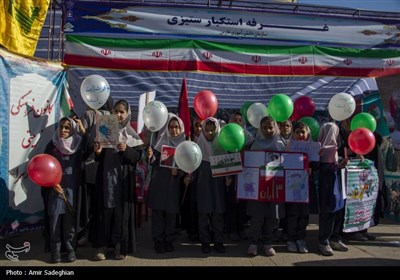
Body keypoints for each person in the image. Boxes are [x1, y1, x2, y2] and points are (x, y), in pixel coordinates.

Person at [91, 99, 142, 261]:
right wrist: (98, 152)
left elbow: (137, 157)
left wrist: (126, 149)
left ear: (128, 115)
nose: (118, 115)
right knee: (104, 213)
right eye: (116, 111)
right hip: (106, 180)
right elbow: (98, 158)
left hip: (122, 182)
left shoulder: (131, 134)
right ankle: (103, 246)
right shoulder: (105, 129)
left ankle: (119, 245)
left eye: (122, 112)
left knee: (120, 214)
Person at [42, 117, 88, 263]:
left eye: (67, 128)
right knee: (55, 220)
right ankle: (55, 251)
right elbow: (44, 166)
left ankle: (70, 249)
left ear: (73, 129)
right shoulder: (52, 145)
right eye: (61, 127)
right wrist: (51, 183)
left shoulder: (78, 144)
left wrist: (84, 132)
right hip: (56, 189)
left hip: (73, 189)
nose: (63, 130)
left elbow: (91, 149)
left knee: (70, 222)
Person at [146, 113, 186, 253]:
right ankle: (158, 240)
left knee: (171, 213)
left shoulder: (185, 145)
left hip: (173, 185)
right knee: (158, 212)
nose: (174, 130)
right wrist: (150, 156)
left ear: (181, 128)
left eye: (176, 127)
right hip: (159, 182)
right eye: (171, 127)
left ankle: (169, 240)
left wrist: (179, 172)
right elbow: (152, 163)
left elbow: (188, 166)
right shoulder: (161, 143)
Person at [247, 116, 285, 257]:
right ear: (260, 129)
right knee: (257, 216)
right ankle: (254, 242)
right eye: (265, 128)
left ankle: (267, 243)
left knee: (272, 216)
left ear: (275, 127)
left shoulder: (281, 144)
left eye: (271, 127)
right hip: (258, 187)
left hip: (275, 187)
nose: (268, 130)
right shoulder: (255, 145)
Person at [79, 96, 114, 245]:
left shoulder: (88, 115)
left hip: (89, 166)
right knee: (99, 205)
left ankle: (85, 234)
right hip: (104, 168)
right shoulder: (111, 119)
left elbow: (83, 140)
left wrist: (83, 131)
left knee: (87, 204)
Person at [191, 117, 227, 253]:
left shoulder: (223, 147)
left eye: (213, 130)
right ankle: (205, 241)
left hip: (218, 185)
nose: (210, 133)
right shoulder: (197, 148)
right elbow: (192, 166)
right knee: (204, 212)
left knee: (218, 212)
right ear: (203, 131)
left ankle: (218, 240)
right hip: (203, 184)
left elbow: (229, 166)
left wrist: (228, 176)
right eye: (207, 130)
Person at [317, 122, 349, 256]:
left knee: (338, 209)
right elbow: (322, 168)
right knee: (328, 211)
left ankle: (335, 237)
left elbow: (338, 160)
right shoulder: (320, 149)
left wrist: (341, 162)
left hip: (337, 183)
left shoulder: (337, 147)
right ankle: (324, 241)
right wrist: (337, 166)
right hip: (327, 185)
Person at [285, 122, 311, 253]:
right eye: (297, 132)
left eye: (303, 132)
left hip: (306, 189)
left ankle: (301, 239)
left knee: (304, 215)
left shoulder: (312, 148)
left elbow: (317, 165)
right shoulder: (289, 147)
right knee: (293, 214)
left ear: (308, 134)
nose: (300, 135)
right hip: (292, 188)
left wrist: (312, 167)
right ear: (293, 134)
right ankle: (291, 240)